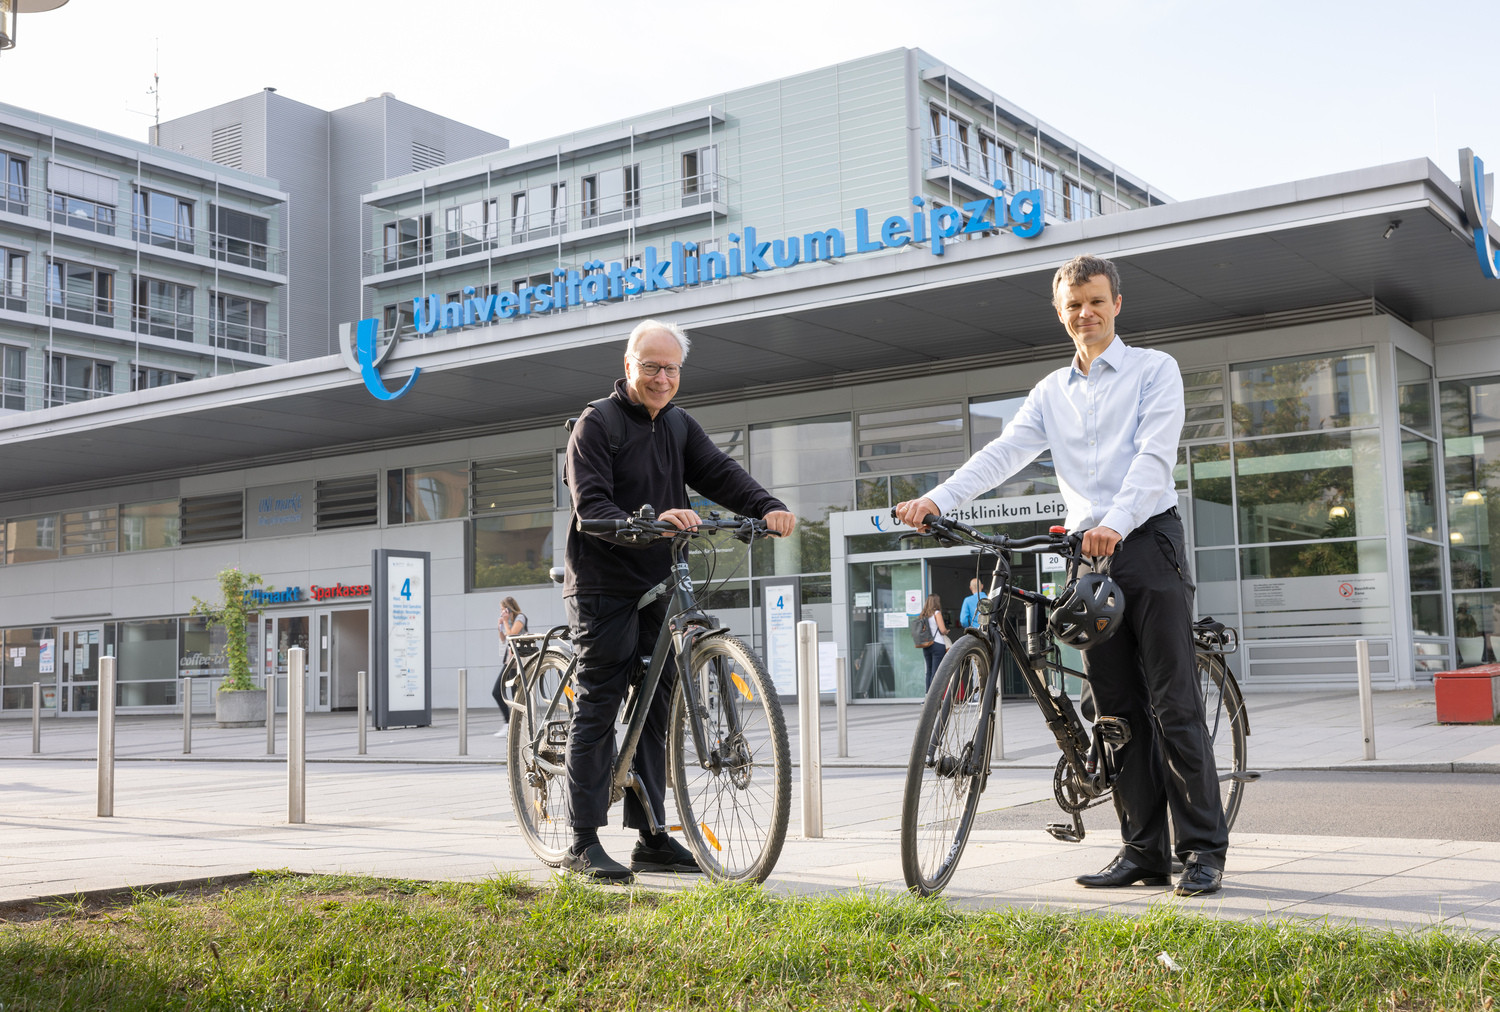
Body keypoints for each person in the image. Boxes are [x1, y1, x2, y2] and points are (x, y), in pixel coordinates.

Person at [894, 253, 1228, 897]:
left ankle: (1203, 850)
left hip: (1146, 540)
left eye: (1096, 301)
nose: (1086, 313)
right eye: (1073, 305)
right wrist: (939, 500)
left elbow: (1155, 459)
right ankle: (1142, 852)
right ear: (1060, 313)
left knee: (1173, 702)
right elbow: (1003, 454)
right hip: (1086, 555)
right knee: (1115, 710)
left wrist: (1118, 520)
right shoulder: (1051, 391)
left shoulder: (1155, 370)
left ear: (1117, 304)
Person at [562, 318, 797, 882]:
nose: (662, 378)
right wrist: (645, 520)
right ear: (628, 365)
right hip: (604, 582)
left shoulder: (677, 424)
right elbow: (589, 506)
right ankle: (581, 839)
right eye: (651, 366)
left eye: (671, 369)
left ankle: (652, 836)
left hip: (660, 579)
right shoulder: (597, 424)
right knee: (601, 696)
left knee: (661, 705)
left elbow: (719, 472)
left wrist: (767, 505)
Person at [491, 597, 526, 734]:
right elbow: (503, 639)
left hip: (518, 661)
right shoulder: (509, 621)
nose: (501, 612)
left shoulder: (520, 618)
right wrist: (500, 627)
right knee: (496, 691)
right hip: (509, 661)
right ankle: (509, 723)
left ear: (509, 608)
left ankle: (517, 725)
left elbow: (512, 635)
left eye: (503, 609)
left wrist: (505, 621)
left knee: (516, 694)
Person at [919, 594, 950, 690]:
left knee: (928, 671)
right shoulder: (937, 613)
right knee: (935, 672)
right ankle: (933, 699)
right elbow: (942, 630)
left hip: (926, 645)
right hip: (937, 644)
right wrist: (946, 631)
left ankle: (928, 697)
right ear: (936, 602)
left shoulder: (923, 615)